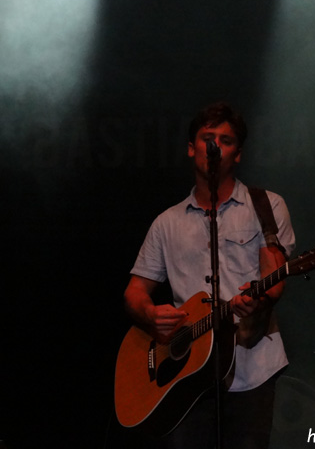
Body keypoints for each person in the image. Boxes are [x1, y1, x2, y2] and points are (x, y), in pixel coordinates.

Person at [123, 102, 295, 449]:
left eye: (226, 140)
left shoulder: (267, 206)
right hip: (185, 380)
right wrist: (151, 315)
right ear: (192, 148)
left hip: (252, 370)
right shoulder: (166, 223)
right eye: (207, 137)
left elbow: (273, 282)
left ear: (238, 154)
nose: (215, 146)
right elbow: (134, 292)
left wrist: (258, 298)